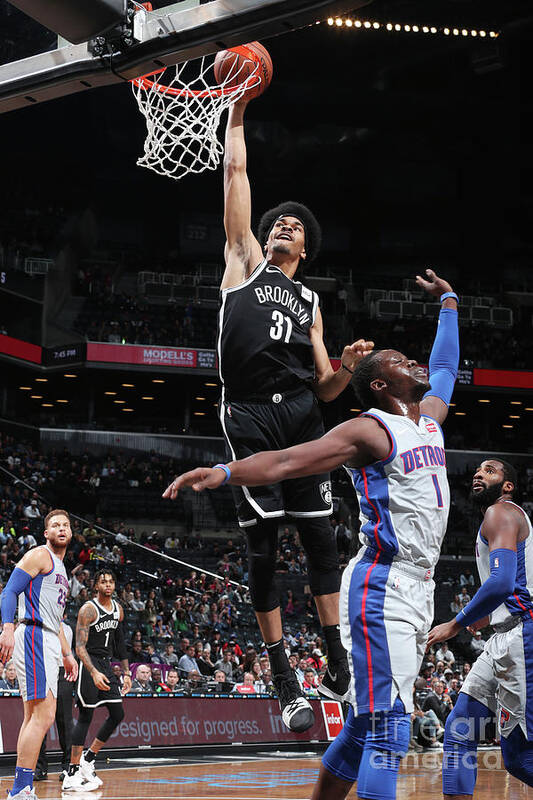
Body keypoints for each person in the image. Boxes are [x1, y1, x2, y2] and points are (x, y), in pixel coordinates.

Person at [164, 268, 459, 800]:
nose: (411, 363)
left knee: (367, 726)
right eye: (397, 361)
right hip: (381, 587)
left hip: (420, 590)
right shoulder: (368, 428)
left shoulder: (431, 419)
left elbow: (444, 367)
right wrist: (227, 472)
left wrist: (450, 305)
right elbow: (287, 461)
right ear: (378, 383)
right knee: (390, 729)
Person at [174, 92, 373, 733]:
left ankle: (333, 649)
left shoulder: (310, 300)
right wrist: (232, 113)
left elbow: (325, 388)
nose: (283, 224)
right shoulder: (243, 263)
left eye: (294, 225)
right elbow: (236, 174)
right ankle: (281, 669)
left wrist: (345, 365)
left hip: (300, 415)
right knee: (264, 547)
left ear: (306, 249)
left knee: (320, 538)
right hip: (250, 412)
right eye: (277, 220)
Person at [428, 459, 533, 796]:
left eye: (490, 471)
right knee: (460, 728)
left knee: (519, 758)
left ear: (507, 486)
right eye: (477, 469)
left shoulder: (500, 512)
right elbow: (511, 582)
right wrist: (489, 614)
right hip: (505, 635)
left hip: (523, 635)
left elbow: (502, 582)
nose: (478, 473)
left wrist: (457, 623)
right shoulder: (500, 518)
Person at [0, 509, 77, 800]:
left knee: (33, 716)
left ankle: (24, 787)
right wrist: (7, 629)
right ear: (46, 533)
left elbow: (55, 619)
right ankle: (21, 789)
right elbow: (8, 591)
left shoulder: (61, 569)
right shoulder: (40, 555)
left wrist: (68, 654)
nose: (61, 528)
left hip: (46, 636)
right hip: (33, 634)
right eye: (55, 525)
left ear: (71, 533)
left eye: (65, 525)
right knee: (43, 716)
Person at [62, 569, 131, 793]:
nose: (108, 585)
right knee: (86, 716)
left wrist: (127, 672)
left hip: (106, 665)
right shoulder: (88, 610)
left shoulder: (118, 610)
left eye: (111, 581)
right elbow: (79, 647)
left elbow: (120, 643)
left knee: (118, 714)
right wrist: (92, 672)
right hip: (88, 664)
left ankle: (88, 759)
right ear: (96, 586)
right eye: (103, 582)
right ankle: (70, 773)